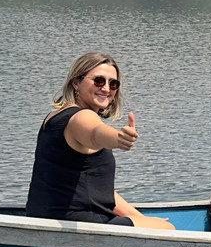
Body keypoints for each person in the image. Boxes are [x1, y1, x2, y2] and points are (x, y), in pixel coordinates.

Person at [25, 52, 174, 230]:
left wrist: (140, 218)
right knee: (168, 229)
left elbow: (101, 190)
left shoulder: (54, 116)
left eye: (113, 83)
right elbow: (95, 134)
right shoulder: (81, 117)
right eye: (99, 81)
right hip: (78, 224)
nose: (106, 88)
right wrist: (117, 138)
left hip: (43, 219)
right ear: (76, 82)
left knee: (155, 224)